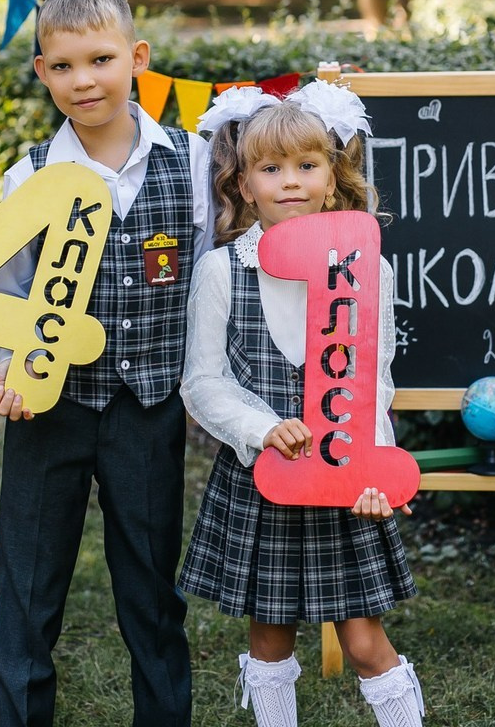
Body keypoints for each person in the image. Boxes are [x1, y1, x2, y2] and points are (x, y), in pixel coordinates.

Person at [0, 0, 213, 727]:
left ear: (136, 57)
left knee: (150, 591)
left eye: (102, 59)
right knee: (26, 591)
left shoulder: (194, 163)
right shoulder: (29, 177)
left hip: (147, 409)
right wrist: (7, 360)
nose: (85, 80)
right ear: (43, 72)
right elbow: (0, 287)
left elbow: (209, 279)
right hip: (47, 408)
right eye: (65, 65)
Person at [179, 81, 425, 727]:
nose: (290, 182)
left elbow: (376, 380)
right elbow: (202, 382)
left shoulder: (369, 268)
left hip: (345, 478)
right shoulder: (223, 272)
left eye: (307, 166)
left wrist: (373, 468)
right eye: (271, 168)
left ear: (332, 176)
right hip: (264, 480)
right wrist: (262, 429)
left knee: (366, 643)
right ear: (244, 183)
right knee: (269, 640)